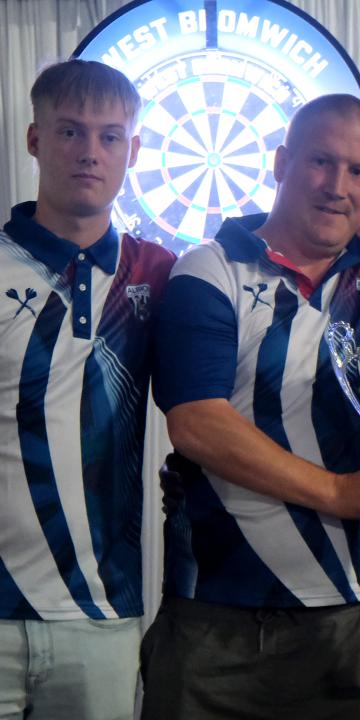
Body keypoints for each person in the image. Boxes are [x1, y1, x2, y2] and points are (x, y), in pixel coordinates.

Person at [139, 93, 360, 720]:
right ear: (281, 162)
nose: (337, 187)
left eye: (358, 171)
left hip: (353, 615)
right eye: (321, 161)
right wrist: (340, 491)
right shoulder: (210, 269)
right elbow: (197, 423)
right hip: (216, 615)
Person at [0, 59, 175, 719]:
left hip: (100, 612)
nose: (90, 152)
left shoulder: (157, 272)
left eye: (110, 136)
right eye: (70, 131)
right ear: (35, 139)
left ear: (133, 149)